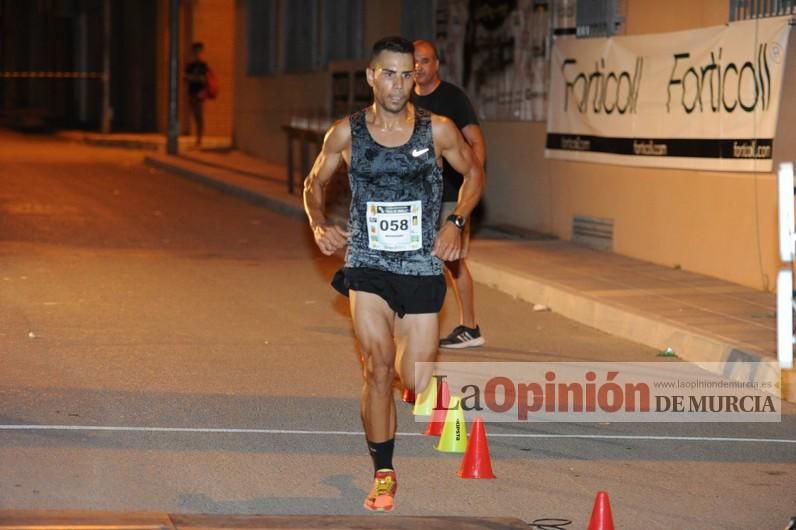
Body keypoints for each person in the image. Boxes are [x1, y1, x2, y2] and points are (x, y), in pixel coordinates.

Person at [303, 36, 484, 513]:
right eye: (390, 73)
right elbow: (313, 183)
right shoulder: (346, 133)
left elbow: (474, 175)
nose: (400, 83)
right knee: (379, 368)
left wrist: (457, 220)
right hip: (367, 262)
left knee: (416, 378)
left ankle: (396, 375)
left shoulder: (439, 130)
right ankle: (384, 472)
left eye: (407, 74)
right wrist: (319, 223)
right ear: (371, 76)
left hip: (422, 263)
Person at [412, 39, 487, 349]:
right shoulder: (402, 100)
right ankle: (413, 322)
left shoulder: (453, 98)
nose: (419, 67)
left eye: (425, 61)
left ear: (437, 64)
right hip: (416, 196)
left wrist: (474, 177)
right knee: (416, 258)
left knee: (451, 260)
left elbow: (477, 141)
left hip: (449, 194)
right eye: (414, 61)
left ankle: (470, 327)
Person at [184, 42, 208, 148]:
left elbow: (204, 79)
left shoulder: (203, 65)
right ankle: (197, 139)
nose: (197, 53)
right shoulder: (190, 65)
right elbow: (185, 78)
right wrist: (194, 78)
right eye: (195, 51)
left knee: (199, 116)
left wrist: (192, 78)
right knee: (194, 115)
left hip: (199, 93)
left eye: (199, 51)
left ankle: (199, 140)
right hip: (191, 93)